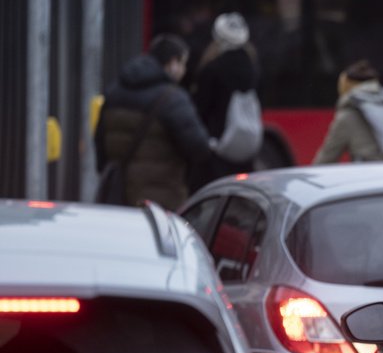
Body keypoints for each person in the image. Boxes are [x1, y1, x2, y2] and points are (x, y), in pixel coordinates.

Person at [94, 34, 212, 211]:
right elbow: (199, 147)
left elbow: (100, 144)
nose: (184, 70)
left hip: (119, 198)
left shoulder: (113, 92)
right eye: (183, 63)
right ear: (172, 63)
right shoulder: (173, 99)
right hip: (160, 202)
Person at [189, 12, 260, 189]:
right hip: (245, 148)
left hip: (217, 147)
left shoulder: (212, 69)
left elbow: (201, 109)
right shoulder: (253, 67)